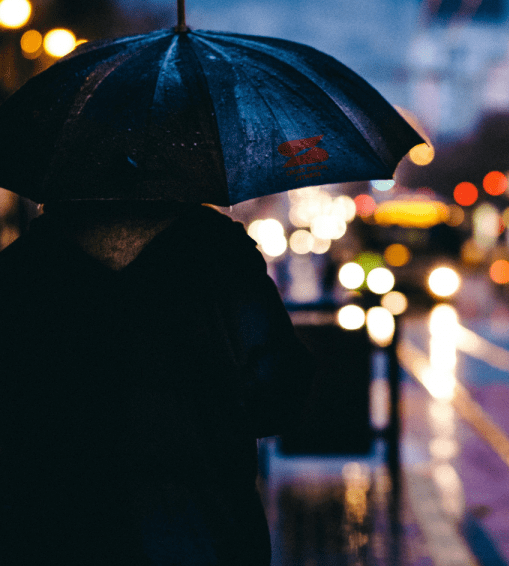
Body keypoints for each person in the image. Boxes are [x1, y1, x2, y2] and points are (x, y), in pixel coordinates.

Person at [0, 200, 315, 565]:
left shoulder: (24, 265)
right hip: (202, 521)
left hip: (55, 526)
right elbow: (278, 391)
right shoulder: (217, 252)